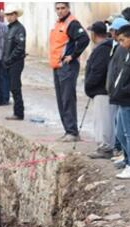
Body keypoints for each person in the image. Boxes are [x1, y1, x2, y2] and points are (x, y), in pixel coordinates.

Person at [49, 2, 89, 142]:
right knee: (61, 100)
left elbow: (84, 39)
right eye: (58, 8)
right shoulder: (58, 23)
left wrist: (73, 56)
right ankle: (68, 130)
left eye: (62, 8)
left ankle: (72, 132)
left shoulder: (72, 24)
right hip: (57, 66)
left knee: (67, 99)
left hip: (67, 67)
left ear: (68, 8)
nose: (60, 11)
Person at [109, 23, 130, 179]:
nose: (120, 44)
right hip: (121, 99)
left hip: (128, 100)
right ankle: (129, 160)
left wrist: (124, 90)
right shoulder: (128, 52)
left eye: (122, 40)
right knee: (120, 133)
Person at [84, 22, 113, 158]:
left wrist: (89, 86)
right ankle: (104, 147)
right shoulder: (104, 47)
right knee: (102, 120)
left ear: (94, 34)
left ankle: (105, 148)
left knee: (103, 121)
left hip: (101, 91)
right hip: (100, 91)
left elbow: (97, 71)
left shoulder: (102, 49)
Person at [105, 17, 129, 165]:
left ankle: (128, 159)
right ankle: (125, 156)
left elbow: (121, 72)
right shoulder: (116, 46)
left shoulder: (123, 48)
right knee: (119, 128)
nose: (111, 32)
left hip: (122, 95)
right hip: (116, 93)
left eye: (113, 30)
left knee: (125, 131)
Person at [2, 5, 26, 121]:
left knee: (15, 87)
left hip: (16, 62)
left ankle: (19, 113)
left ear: (16, 15)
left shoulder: (19, 29)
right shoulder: (9, 28)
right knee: (13, 87)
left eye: (11, 15)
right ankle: (17, 112)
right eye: (7, 15)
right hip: (9, 62)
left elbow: (20, 48)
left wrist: (9, 59)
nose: (9, 17)